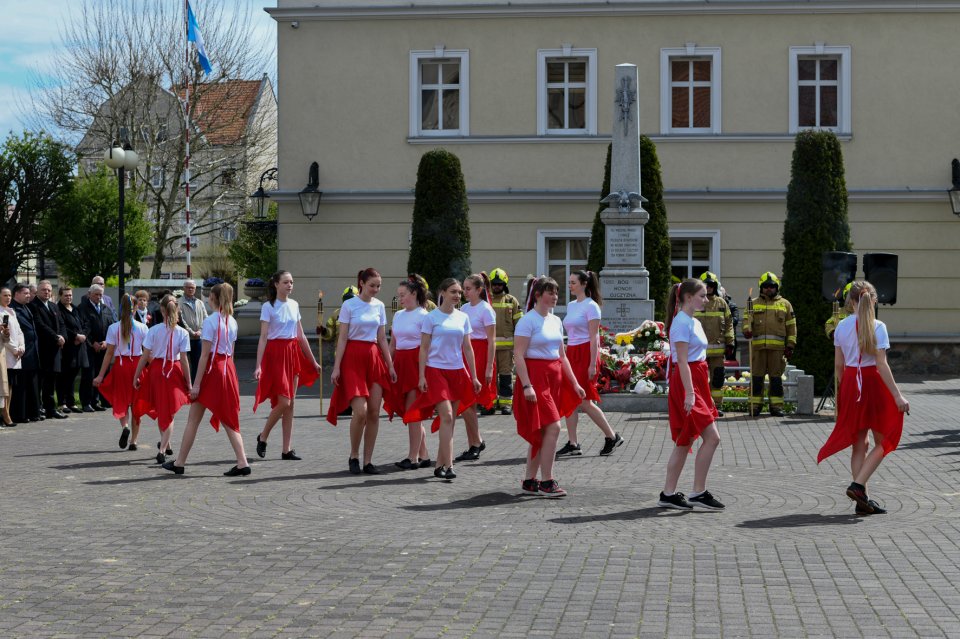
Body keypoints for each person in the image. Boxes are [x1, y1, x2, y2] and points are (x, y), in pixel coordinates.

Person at [817, 281, 909, 515]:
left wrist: (844, 391)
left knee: (859, 444)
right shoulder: (878, 326)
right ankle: (858, 487)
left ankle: (862, 499)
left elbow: (838, 366)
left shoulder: (841, 327)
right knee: (884, 440)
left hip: (850, 383)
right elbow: (881, 365)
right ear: (874, 300)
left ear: (850, 302)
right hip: (872, 384)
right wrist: (897, 396)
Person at [162, 283, 251, 477]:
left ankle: (181, 462)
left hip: (214, 370)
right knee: (226, 417)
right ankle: (181, 462)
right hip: (227, 369)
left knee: (197, 419)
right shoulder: (232, 321)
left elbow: (204, 356)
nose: (208, 299)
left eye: (210, 296)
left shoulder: (211, 322)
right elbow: (232, 354)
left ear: (214, 299)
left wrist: (196, 384)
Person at [513, 276, 585, 498]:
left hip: (553, 380)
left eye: (556, 293)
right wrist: (527, 386)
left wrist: (574, 383)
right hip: (535, 380)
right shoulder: (527, 321)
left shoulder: (555, 320)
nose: (555, 297)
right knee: (553, 427)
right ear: (537, 295)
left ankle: (529, 480)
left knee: (544, 430)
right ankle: (547, 481)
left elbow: (562, 355)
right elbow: (519, 355)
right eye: (550, 292)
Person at [403, 278, 482, 480]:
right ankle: (449, 464)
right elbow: (423, 349)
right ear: (443, 293)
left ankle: (440, 465)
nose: (457, 295)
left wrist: (474, 376)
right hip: (435, 371)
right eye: (453, 292)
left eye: (459, 292)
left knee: (451, 421)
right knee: (446, 415)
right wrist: (421, 375)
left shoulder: (463, 317)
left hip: (457, 372)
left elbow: (467, 348)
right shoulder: (431, 317)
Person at [657, 279, 725, 511]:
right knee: (712, 437)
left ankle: (669, 493)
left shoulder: (692, 321)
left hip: (696, 381)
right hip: (688, 384)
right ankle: (697, 492)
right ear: (688, 297)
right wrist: (689, 394)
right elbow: (682, 362)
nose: (706, 299)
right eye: (702, 295)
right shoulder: (681, 323)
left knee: (684, 441)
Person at [327, 268, 396, 474]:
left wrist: (390, 364)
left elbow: (382, 338)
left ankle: (368, 460)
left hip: (374, 358)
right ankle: (354, 455)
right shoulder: (349, 305)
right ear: (362, 283)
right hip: (353, 359)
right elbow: (342, 337)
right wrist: (337, 367)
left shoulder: (380, 306)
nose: (376, 289)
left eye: (378, 286)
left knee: (374, 412)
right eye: (372, 285)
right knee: (361, 411)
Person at [253, 270, 321, 462]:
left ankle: (286, 449)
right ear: (276, 284)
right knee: (284, 402)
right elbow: (264, 337)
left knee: (291, 404)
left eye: (291, 282)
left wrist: (313, 360)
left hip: (292, 353)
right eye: (285, 282)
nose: (290, 285)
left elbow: (300, 335)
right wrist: (258, 365)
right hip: (275, 354)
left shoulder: (294, 304)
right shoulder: (268, 306)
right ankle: (263, 436)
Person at [558, 270, 623, 457]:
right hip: (572, 352)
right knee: (569, 397)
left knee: (585, 401)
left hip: (586, 352)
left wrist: (593, 364)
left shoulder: (592, 306)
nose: (569, 285)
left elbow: (594, 336)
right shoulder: (571, 305)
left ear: (584, 284)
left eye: (573, 283)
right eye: (569, 282)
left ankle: (612, 436)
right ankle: (573, 443)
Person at [132, 295, 192, 464]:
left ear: (162, 310)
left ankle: (165, 445)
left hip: (156, 371)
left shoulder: (154, 330)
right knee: (169, 412)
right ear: (177, 310)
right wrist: (189, 382)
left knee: (161, 410)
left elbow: (144, 356)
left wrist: (137, 376)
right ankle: (163, 448)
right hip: (173, 370)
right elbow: (184, 360)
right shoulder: (183, 332)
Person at [94, 294, 149, 451]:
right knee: (136, 405)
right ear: (136, 308)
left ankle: (125, 426)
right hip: (137, 367)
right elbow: (147, 353)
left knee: (122, 401)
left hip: (121, 366)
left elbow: (109, 353)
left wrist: (100, 375)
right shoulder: (143, 327)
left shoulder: (113, 328)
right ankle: (134, 441)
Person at [388, 275, 432, 470]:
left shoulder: (424, 316)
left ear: (414, 293)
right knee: (409, 411)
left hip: (416, 364)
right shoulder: (398, 315)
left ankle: (412, 457)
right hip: (401, 364)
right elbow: (393, 344)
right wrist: (388, 365)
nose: (400, 299)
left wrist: (424, 372)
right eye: (398, 295)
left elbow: (427, 346)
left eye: (403, 295)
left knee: (414, 412)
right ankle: (423, 454)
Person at [454, 272, 497, 462]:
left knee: (470, 402)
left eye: (468, 289)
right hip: (466, 354)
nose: (464, 292)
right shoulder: (463, 308)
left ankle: (476, 443)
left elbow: (492, 340)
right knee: (466, 403)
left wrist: (489, 367)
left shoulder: (486, 309)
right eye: (464, 288)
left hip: (480, 355)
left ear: (479, 290)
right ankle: (475, 441)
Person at [743, 272, 796, 417]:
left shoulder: (785, 304)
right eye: (765, 287)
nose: (768, 289)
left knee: (776, 379)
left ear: (776, 287)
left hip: (777, 350)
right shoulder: (753, 303)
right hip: (758, 349)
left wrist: (790, 345)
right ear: (761, 288)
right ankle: (754, 406)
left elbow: (792, 326)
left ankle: (776, 407)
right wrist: (746, 330)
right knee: (756, 379)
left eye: (771, 286)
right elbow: (747, 320)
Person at [694, 272, 735, 417]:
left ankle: (717, 406)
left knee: (717, 379)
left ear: (715, 286)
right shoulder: (696, 302)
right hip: (699, 352)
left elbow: (729, 323)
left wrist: (730, 343)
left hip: (718, 350)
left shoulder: (721, 303)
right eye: (706, 285)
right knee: (700, 380)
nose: (709, 288)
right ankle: (701, 407)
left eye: (711, 285)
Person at [30, 280, 68, 420]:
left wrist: (63, 337)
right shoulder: (33, 305)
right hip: (43, 349)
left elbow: (62, 324)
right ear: (38, 291)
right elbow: (39, 325)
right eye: (43, 290)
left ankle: (51, 409)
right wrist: (55, 337)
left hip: (56, 349)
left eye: (48, 290)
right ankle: (39, 408)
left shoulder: (53, 306)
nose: (46, 292)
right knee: (41, 381)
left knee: (51, 382)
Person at [488, 268, 523, 416]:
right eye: (494, 284)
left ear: (504, 284)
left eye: (499, 284)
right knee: (489, 376)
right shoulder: (486, 301)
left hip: (507, 348)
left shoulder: (511, 300)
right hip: (489, 347)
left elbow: (520, 325)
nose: (496, 286)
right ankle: (489, 404)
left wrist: (520, 347)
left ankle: (506, 404)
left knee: (505, 376)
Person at [77, 284, 116, 412]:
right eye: (96, 294)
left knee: (101, 374)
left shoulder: (106, 308)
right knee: (89, 375)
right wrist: (92, 342)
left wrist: (106, 341)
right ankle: (86, 402)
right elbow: (82, 328)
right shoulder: (82, 308)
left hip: (104, 348)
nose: (99, 297)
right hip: (89, 347)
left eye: (101, 295)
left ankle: (97, 400)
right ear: (89, 294)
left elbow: (111, 327)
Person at [10, 284, 41, 423]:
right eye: (26, 293)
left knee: (32, 384)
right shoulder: (11, 310)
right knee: (20, 385)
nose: (29, 296)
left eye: (29, 293)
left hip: (32, 351)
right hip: (20, 352)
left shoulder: (27, 307)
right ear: (17, 294)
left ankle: (33, 412)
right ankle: (19, 415)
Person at [56, 286, 88, 415]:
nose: (68, 297)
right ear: (60, 296)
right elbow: (62, 327)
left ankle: (71, 402)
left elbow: (86, 323)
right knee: (64, 376)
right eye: (65, 295)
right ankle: (62, 402)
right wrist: (75, 336)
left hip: (79, 347)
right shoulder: (58, 309)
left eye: (70, 295)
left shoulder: (76, 309)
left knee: (73, 377)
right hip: (67, 348)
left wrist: (83, 335)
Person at [1, 288, 25, 428]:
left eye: (10, 295)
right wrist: (15, 349)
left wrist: (22, 346)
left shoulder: (12, 311)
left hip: (16, 354)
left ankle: (7, 412)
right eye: (5, 295)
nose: (8, 298)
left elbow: (19, 331)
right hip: (6, 353)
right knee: (4, 386)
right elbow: (4, 334)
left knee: (9, 386)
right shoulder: (0, 312)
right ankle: (5, 414)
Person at [178, 279, 208, 384]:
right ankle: (185, 384)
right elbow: (181, 320)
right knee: (184, 363)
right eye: (188, 287)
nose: (190, 289)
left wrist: (200, 331)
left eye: (192, 287)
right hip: (185, 338)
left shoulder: (200, 302)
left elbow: (205, 318)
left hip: (198, 338)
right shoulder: (179, 302)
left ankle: (195, 384)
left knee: (197, 363)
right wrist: (191, 332)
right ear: (184, 288)